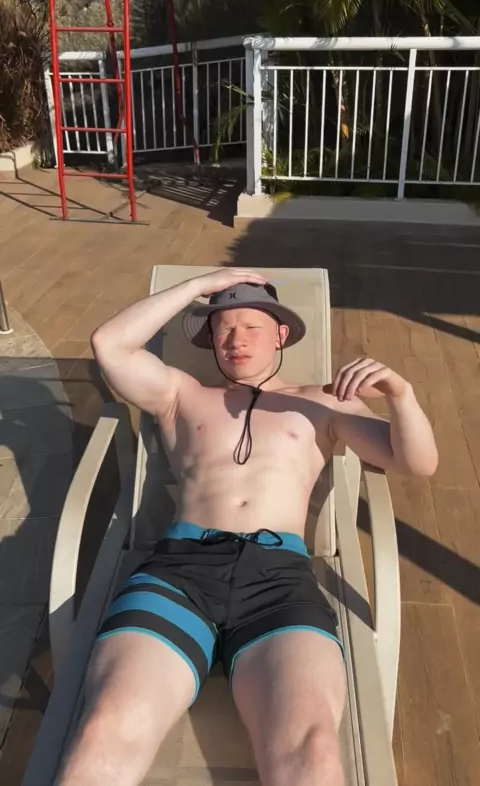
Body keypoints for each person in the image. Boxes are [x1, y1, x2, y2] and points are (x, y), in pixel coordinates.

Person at [56, 267, 438, 786]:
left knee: (313, 747)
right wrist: (197, 287)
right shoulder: (181, 394)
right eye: (222, 328)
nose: (235, 339)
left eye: (251, 327)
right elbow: (109, 344)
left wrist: (401, 394)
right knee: (106, 728)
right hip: (178, 576)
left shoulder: (323, 401)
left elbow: (417, 461)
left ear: (281, 334)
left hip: (278, 581)